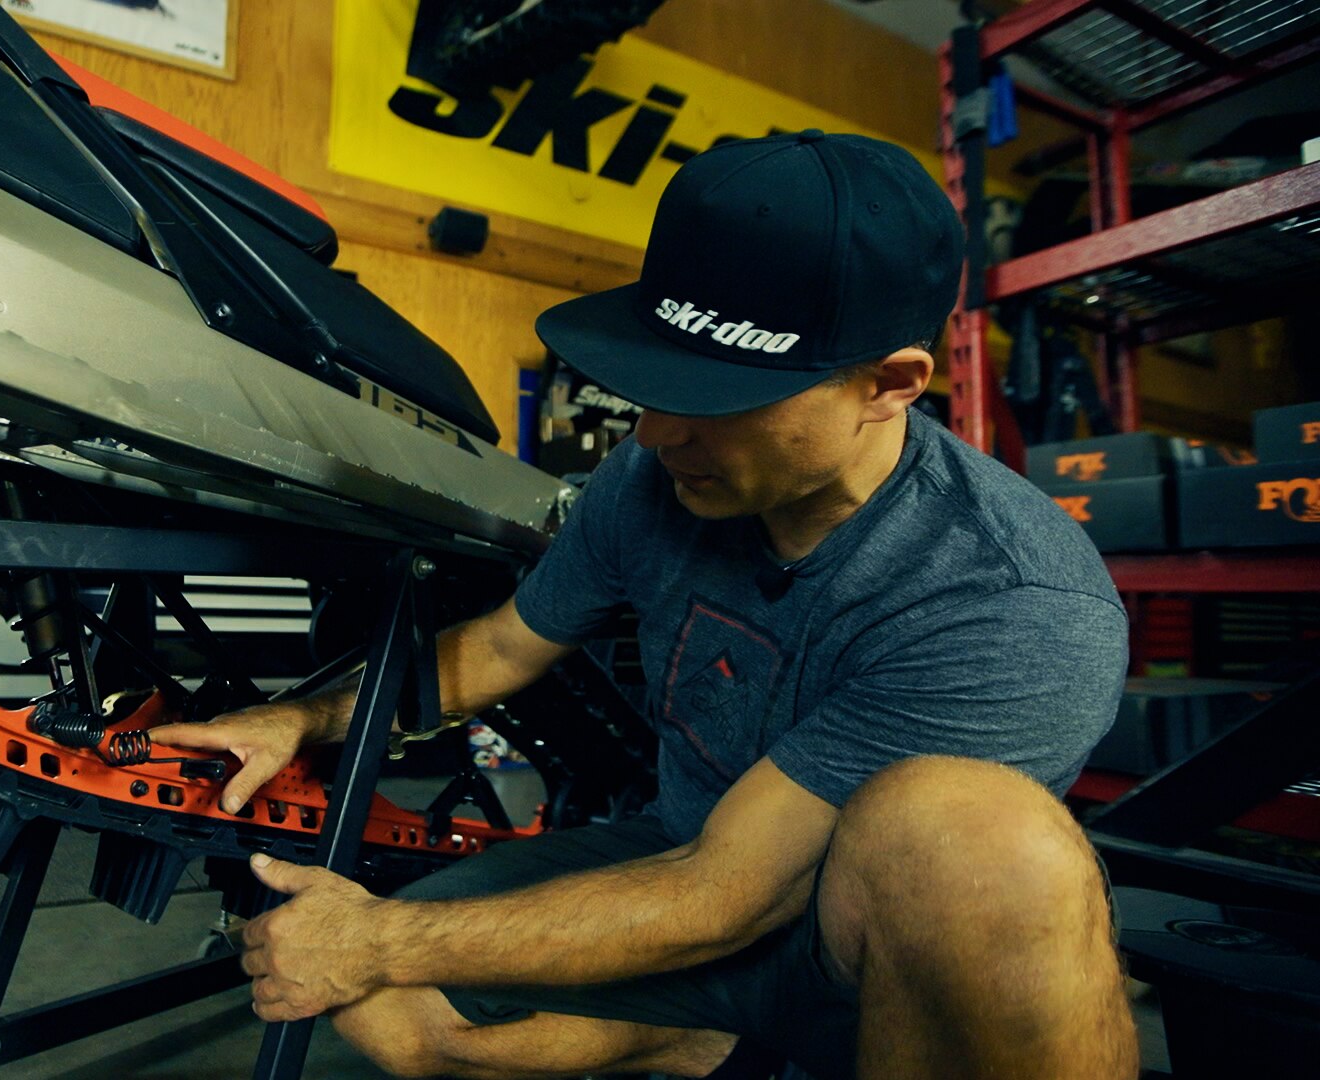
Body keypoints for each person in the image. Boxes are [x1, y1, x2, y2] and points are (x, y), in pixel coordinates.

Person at [153, 130, 1139, 1079]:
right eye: (654, 384)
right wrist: (303, 718)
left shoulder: (1012, 598)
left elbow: (728, 897)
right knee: (390, 1009)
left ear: (889, 385)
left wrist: (378, 935)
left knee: (980, 839)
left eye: (718, 399)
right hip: (682, 857)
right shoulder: (654, 477)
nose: (660, 432)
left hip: (854, 933)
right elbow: (498, 647)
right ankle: (709, 1048)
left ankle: (832, 1037)